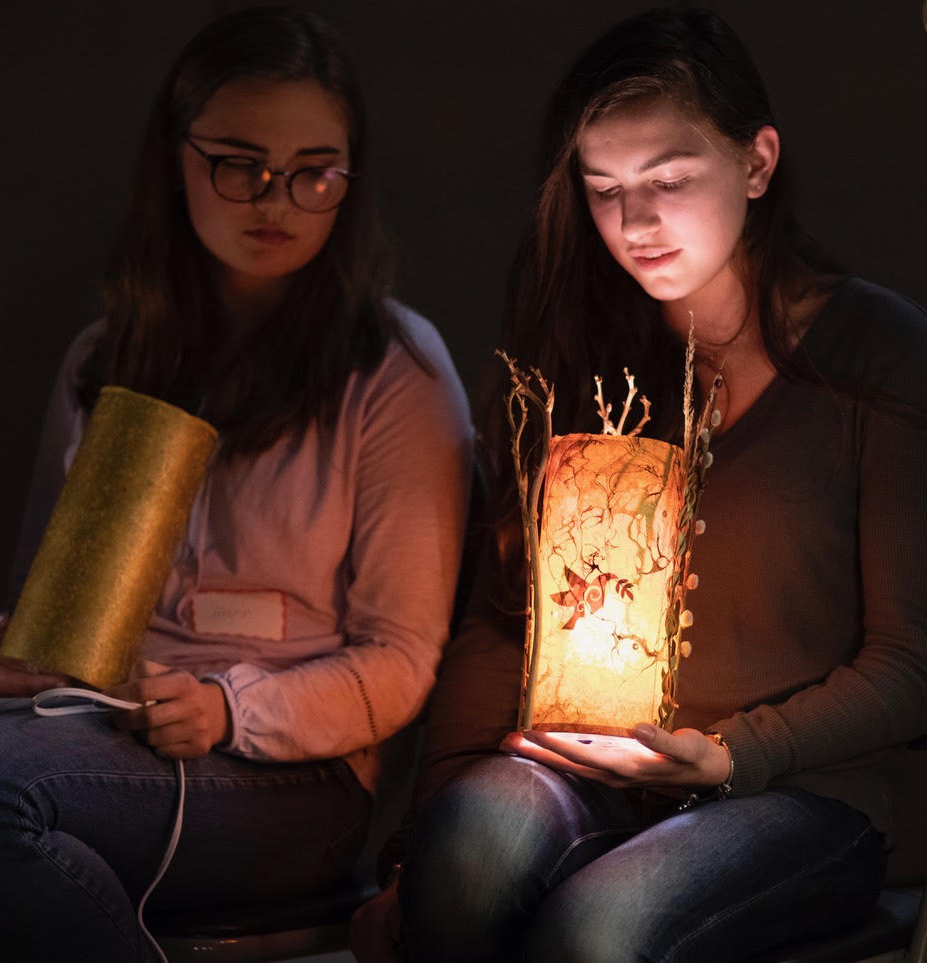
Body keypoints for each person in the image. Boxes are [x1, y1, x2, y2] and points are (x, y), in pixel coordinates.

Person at [351, 8, 927, 962]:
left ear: (757, 162)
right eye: (606, 187)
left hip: (805, 790)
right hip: (588, 763)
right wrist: (414, 863)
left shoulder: (877, 355)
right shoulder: (591, 358)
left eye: (670, 179)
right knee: (463, 866)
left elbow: (912, 662)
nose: (636, 222)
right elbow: (504, 619)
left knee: (599, 929)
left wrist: (734, 752)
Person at [0, 7, 471, 962]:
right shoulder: (107, 356)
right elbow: (50, 610)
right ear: (176, 159)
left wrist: (236, 707)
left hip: (288, 773)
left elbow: (403, 659)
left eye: (314, 171)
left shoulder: (393, 369)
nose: (273, 199)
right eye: (238, 163)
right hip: (92, 728)